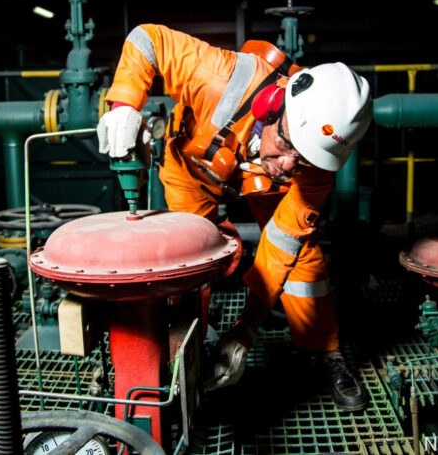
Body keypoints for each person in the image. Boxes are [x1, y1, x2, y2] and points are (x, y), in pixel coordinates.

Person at [96, 24, 373, 411]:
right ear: (272, 106)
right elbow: (147, 40)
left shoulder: (315, 169)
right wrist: (124, 106)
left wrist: (244, 334)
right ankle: (186, 347)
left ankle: (326, 352)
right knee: (187, 260)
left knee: (304, 264)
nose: (289, 164)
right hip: (193, 170)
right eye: (287, 145)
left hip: (259, 188)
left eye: (304, 160)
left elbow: (281, 247)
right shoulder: (219, 77)